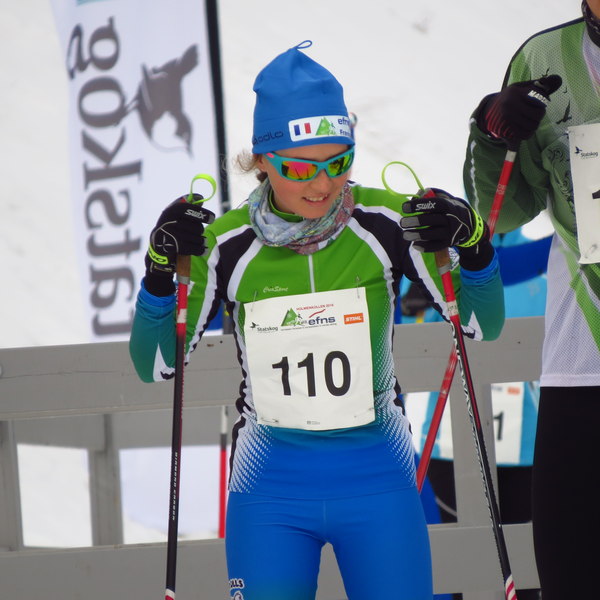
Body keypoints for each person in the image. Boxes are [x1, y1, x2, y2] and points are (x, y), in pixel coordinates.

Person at [130, 40, 505, 600]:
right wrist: (159, 275)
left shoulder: (385, 223)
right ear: (262, 160)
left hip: (378, 480)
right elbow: (156, 364)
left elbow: (482, 325)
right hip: (269, 490)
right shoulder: (225, 245)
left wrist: (474, 247)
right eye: (300, 168)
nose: (324, 185)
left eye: (339, 163)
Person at [462, 2, 600, 598]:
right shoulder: (543, 58)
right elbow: (501, 212)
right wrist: (492, 133)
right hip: (583, 356)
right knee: (571, 566)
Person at [401, 227, 551, 600]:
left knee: (524, 561)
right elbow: (407, 330)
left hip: (525, 443)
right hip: (450, 440)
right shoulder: (437, 254)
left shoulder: (543, 260)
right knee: (459, 562)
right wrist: (414, 302)